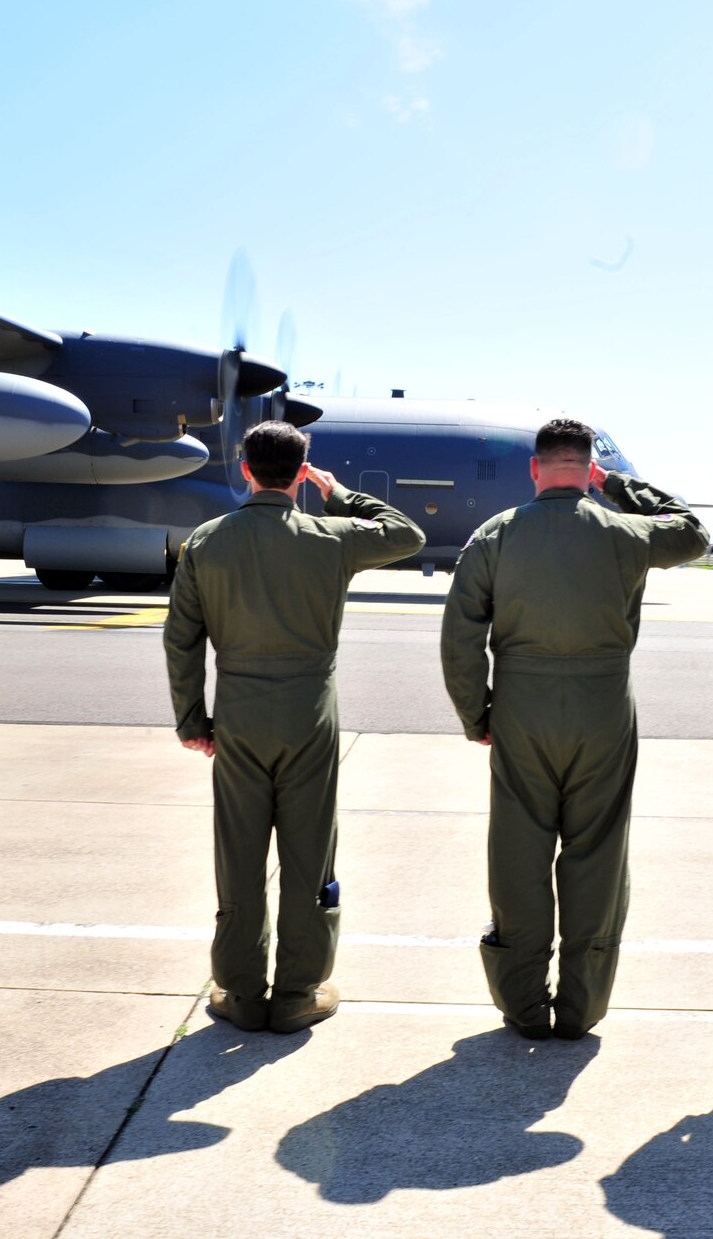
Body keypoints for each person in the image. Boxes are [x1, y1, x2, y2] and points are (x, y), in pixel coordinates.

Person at [441, 418, 708, 1040]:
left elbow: (460, 638)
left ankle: (523, 1002)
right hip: (603, 706)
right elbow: (693, 534)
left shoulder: (496, 535)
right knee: (597, 852)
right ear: (590, 471)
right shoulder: (626, 532)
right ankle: (581, 1006)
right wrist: (622, 489)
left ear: (534, 469)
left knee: (518, 853)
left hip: (521, 708)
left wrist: (477, 714)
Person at [164, 420, 425, 1035]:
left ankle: (242, 990)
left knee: (240, 854)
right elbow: (406, 534)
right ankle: (297, 992)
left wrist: (191, 720)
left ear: (245, 468)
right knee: (309, 853)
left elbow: (182, 641)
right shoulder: (330, 538)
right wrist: (338, 493)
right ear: (300, 471)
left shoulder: (206, 542)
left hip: (239, 716)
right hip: (311, 715)